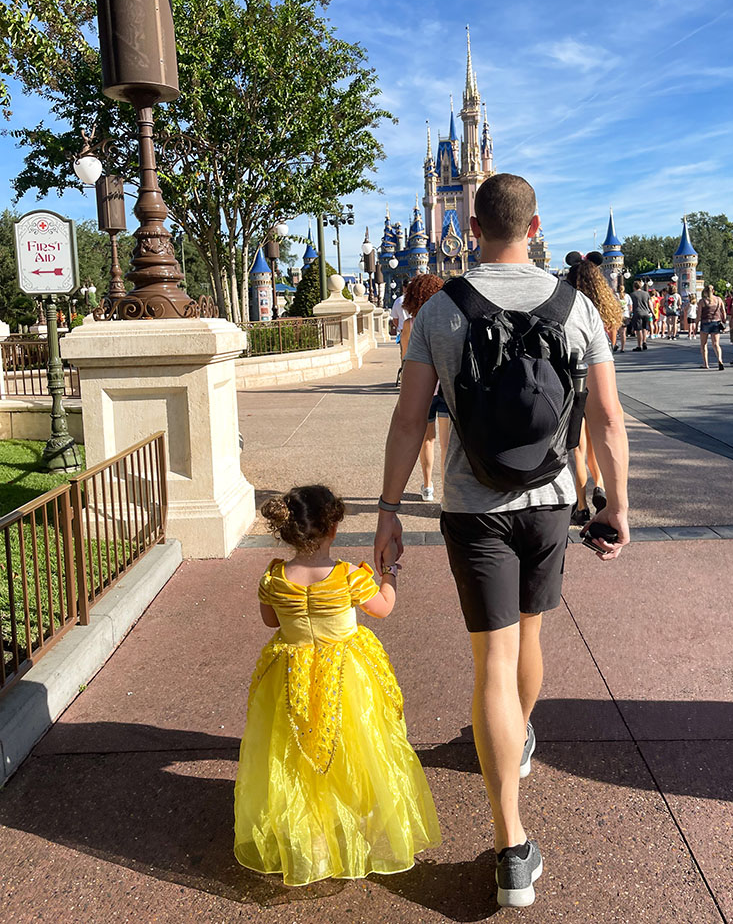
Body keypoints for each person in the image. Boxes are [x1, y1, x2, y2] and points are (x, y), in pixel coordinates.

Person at [374, 173, 629, 907]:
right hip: (550, 500)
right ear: (535, 223)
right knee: (530, 636)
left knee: (493, 657)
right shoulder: (577, 305)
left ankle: (512, 846)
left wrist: (390, 507)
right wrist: (618, 506)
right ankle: (517, 746)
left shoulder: (442, 310)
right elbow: (607, 419)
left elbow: (408, 420)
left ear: (472, 222)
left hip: (471, 504)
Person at [235, 485, 441, 885]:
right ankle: (356, 820)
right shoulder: (349, 577)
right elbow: (383, 608)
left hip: (291, 673)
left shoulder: (274, 576)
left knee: (294, 755)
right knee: (358, 746)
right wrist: (390, 574)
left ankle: (311, 839)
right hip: (346, 674)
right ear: (333, 530)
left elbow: (270, 622)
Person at [565, 252, 621, 524]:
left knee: (577, 444)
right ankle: (599, 483)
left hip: (573, 380)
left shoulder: (566, 305)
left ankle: (581, 504)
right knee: (599, 435)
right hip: (600, 376)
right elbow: (610, 342)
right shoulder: (606, 306)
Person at [400, 273, 449, 502]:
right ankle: (448, 489)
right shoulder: (446, 321)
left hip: (423, 390)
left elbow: (405, 360)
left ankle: (428, 486)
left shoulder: (410, 325)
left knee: (427, 440)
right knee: (447, 444)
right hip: (446, 387)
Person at [697, 285, 725, 370]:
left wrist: (695, 326)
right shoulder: (718, 300)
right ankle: (720, 359)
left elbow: (699, 315)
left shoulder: (702, 301)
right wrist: (723, 321)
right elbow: (723, 311)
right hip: (716, 322)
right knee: (716, 344)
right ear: (713, 291)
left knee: (703, 344)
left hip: (705, 323)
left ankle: (706, 364)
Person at [630, 279, 653, 351]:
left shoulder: (632, 294)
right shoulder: (646, 294)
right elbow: (650, 304)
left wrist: (630, 313)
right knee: (644, 328)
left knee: (638, 329)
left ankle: (639, 345)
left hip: (637, 313)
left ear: (634, 287)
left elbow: (631, 305)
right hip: (646, 313)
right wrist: (652, 312)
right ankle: (644, 342)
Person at [614, 281, 632, 352]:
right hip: (625, 315)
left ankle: (615, 344)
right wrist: (630, 313)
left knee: (615, 331)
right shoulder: (627, 296)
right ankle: (623, 348)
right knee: (623, 332)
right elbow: (630, 306)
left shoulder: (615, 295)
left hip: (617, 315)